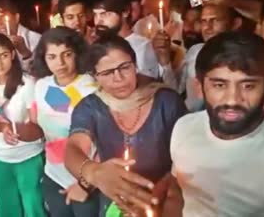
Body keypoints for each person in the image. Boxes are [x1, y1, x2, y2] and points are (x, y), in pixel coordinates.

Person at [63, 35, 187, 216]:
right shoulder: (90, 107)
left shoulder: (166, 101)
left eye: (124, 67)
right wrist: (94, 173)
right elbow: (73, 149)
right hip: (115, 198)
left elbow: (186, 160)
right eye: (107, 73)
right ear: (95, 76)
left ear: (135, 65)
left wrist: (152, 196)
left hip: (167, 197)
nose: (118, 78)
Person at [163, 31, 264, 216]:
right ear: (199, 88)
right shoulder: (184, 127)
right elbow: (177, 191)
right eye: (219, 85)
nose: (232, 100)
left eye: (248, 86)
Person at [2, 27, 99, 216]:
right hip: (53, 176)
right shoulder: (43, 86)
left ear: (77, 54)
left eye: (67, 54)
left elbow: (105, 140)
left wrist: (86, 185)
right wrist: (14, 130)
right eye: (52, 57)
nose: (60, 63)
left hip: (86, 180)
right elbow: (38, 129)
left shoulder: (91, 88)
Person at [0, 33, 47, 217]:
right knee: (6, 210)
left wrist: (3, 128)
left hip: (29, 156)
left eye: (3, 55)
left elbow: (38, 130)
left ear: (13, 55)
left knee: (34, 208)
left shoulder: (27, 84)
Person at [93, 0, 181, 90]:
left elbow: (152, 89)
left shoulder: (143, 47)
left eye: (105, 14)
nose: (98, 21)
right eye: (95, 15)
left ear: (125, 12)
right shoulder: (96, 47)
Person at [179, 4, 242, 112]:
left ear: (235, 24)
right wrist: (165, 63)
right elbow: (178, 88)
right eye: (204, 21)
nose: (208, 27)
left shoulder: (242, 57)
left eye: (215, 20)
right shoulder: (194, 51)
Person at [0, 0, 41, 71]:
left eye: (3, 17)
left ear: (17, 18)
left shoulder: (35, 39)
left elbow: (39, 73)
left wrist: (25, 53)